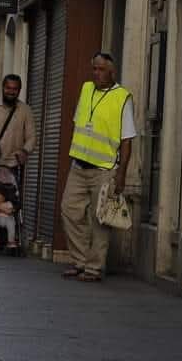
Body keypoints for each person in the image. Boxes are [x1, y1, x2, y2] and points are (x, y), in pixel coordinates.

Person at [60, 52, 135, 282]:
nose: (96, 73)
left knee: (99, 219)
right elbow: (78, 123)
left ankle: (93, 268)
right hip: (79, 165)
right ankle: (80, 260)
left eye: (101, 70)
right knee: (69, 210)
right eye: (94, 69)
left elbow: (127, 139)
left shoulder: (122, 97)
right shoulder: (86, 90)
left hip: (104, 168)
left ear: (112, 72)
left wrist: (121, 174)